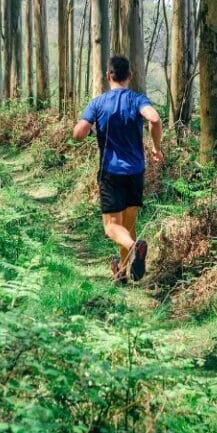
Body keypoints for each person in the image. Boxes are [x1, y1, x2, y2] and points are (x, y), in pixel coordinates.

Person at [73, 55, 163, 283]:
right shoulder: (137, 99)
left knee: (112, 227)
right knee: (127, 225)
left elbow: (79, 133)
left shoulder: (98, 103)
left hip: (111, 173)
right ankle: (122, 272)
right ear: (130, 76)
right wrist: (156, 148)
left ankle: (136, 247)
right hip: (135, 172)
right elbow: (154, 119)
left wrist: (91, 130)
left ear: (108, 76)